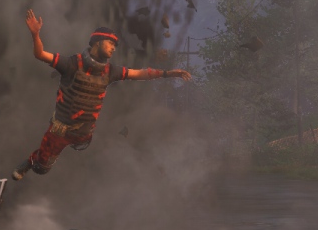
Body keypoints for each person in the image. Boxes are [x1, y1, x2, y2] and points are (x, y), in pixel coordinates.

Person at [13, 9, 190, 179]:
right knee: (41, 168)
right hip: (59, 132)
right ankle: (30, 162)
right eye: (110, 43)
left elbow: (140, 74)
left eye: (115, 45)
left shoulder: (110, 71)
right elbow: (40, 54)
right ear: (98, 42)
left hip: (84, 134)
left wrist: (169, 73)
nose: (113, 48)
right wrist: (35, 35)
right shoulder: (72, 64)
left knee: (90, 164)